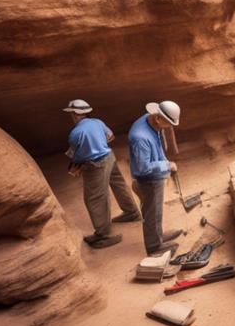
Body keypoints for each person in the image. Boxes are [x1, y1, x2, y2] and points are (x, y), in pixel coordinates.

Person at [64, 99, 140, 249]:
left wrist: (75, 167)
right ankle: (132, 212)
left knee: (95, 197)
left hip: (94, 164)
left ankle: (103, 234)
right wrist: (99, 143)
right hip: (109, 157)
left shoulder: (75, 133)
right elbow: (111, 136)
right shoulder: (98, 122)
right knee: (118, 184)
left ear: (74, 114)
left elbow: (76, 155)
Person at [128, 101, 184, 257]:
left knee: (156, 211)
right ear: (158, 118)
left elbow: (158, 145)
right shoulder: (140, 137)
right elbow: (143, 168)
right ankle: (154, 247)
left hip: (156, 175)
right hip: (149, 179)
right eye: (167, 123)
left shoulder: (151, 120)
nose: (168, 127)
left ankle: (158, 236)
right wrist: (167, 165)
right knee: (152, 212)